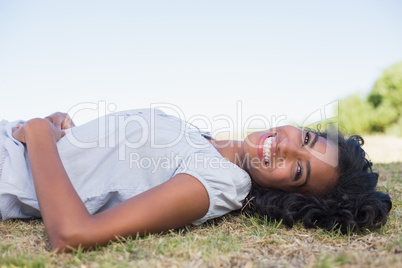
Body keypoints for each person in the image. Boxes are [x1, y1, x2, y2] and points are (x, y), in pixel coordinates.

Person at [0, 108, 392, 251]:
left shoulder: (221, 182)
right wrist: (66, 131)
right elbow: (107, 167)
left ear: (291, 196)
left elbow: (72, 234)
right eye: (307, 139)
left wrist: (37, 134)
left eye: (299, 169)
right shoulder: (203, 139)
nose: (289, 147)